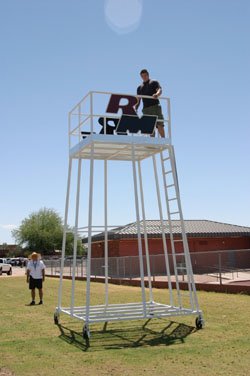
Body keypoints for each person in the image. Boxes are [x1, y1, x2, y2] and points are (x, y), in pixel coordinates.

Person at [135, 69, 165, 137]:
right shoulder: (139, 88)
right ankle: (152, 143)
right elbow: (138, 100)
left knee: (159, 124)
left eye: (145, 75)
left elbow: (159, 90)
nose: (144, 77)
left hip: (155, 107)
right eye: (142, 76)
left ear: (148, 75)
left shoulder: (153, 82)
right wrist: (136, 108)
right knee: (149, 127)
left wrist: (156, 94)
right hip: (146, 109)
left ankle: (163, 140)